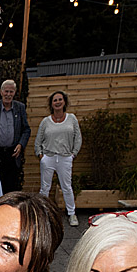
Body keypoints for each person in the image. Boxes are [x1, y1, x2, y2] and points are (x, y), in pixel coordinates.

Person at [35, 90, 82, 227]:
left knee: (66, 187)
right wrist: (41, 155)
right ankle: (41, 213)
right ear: (51, 104)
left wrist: (73, 154)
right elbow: (38, 140)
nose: (57, 102)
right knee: (45, 188)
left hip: (65, 158)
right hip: (48, 157)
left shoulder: (72, 119)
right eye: (55, 100)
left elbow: (77, 138)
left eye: (60, 99)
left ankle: (72, 213)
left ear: (64, 102)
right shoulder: (46, 121)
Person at [0, 79, 31, 193]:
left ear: (14, 93)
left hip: (13, 154)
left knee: (11, 187)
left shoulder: (20, 108)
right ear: (1, 92)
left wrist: (21, 144)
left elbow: (26, 129)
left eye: (11, 92)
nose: (8, 94)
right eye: (6, 91)